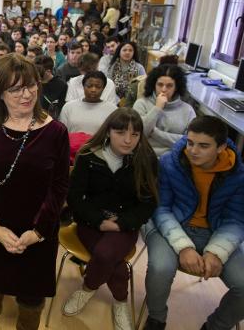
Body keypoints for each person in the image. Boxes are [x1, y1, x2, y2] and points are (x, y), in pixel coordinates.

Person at [0, 54, 70, 330]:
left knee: (30, 297)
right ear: (0, 94)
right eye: (15, 89)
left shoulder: (56, 132)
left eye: (31, 85)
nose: (26, 94)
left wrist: (37, 232)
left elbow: (59, 186)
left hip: (36, 230)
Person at [142, 116, 244, 330]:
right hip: (171, 226)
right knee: (160, 269)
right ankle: (156, 319)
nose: (193, 150)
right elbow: (161, 209)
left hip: (215, 231)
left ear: (221, 147)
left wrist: (217, 251)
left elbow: (235, 219)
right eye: (190, 143)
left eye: (203, 145)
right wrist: (184, 246)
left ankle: (216, 326)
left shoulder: (238, 174)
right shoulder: (169, 162)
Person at [64, 108, 158, 330]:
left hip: (125, 224)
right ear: (108, 132)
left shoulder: (146, 159)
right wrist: (98, 221)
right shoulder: (88, 155)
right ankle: (120, 301)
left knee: (106, 254)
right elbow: (75, 197)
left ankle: (87, 288)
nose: (128, 140)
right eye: (121, 133)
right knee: (115, 264)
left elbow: (148, 203)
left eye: (135, 134)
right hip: (90, 221)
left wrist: (121, 223)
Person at [133, 65, 196, 156]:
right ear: (154, 85)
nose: (163, 89)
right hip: (145, 156)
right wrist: (157, 108)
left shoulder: (188, 110)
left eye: (169, 86)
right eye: (160, 84)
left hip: (175, 157)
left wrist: (155, 132)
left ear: (176, 87)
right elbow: (139, 135)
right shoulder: (141, 104)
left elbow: (188, 142)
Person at [34, 55, 67, 120]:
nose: (36, 74)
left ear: (48, 71)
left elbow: (61, 108)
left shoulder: (61, 85)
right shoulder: (33, 83)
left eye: (38, 72)